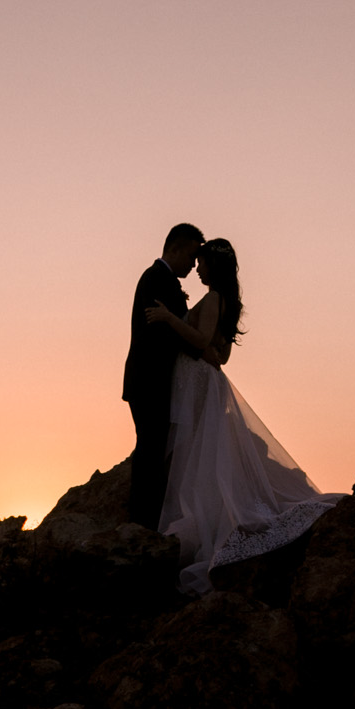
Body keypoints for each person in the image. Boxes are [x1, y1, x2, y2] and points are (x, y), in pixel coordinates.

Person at [142, 237, 348, 595]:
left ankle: (206, 523)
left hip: (198, 382)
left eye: (202, 262)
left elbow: (203, 342)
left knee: (196, 451)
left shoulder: (215, 299)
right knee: (200, 453)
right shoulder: (220, 301)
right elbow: (220, 356)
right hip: (203, 379)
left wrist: (169, 318)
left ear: (213, 266)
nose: (198, 268)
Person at [122, 223, 205, 531]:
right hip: (150, 381)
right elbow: (160, 333)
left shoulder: (162, 279)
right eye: (192, 256)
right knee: (150, 451)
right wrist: (198, 343)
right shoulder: (157, 278)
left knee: (153, 449)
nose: (194, 265)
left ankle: (145, 520)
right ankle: (141, 523)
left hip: (151, 380)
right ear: (177, 249)